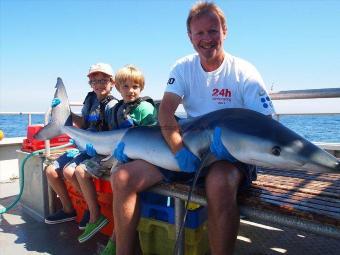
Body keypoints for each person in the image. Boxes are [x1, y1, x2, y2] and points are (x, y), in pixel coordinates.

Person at [111, 1, 275, 255]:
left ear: (225, 31)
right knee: (122, 177)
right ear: (190, 37)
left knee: (219, 181)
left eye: (213, 31)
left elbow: (268, 121)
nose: (207, 39)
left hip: (230, 155)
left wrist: (232, 150)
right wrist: (178, 150)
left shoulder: (244, 72)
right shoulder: (183, 67)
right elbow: (165, 111)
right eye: (200, 33)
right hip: (188, 151)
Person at [75, 65, 158, 251]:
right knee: (81, 171)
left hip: (139, 157)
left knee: (118, 182)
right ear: (118, 88)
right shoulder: (117, 109)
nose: (130, 91)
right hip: (116, 153)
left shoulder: (145, 108)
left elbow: (154, 137)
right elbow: (109, 134)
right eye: (126, 87)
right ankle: (97, 218)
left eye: (135, 86)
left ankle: (114, 241)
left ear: (141, 88)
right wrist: (95, 147)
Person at [44, 63, 117, 232]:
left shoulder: (112, 105)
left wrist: (96, 150)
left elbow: (114, 134)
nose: (98, 84)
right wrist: (66, 113)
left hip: (99, 151)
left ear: (112, 82)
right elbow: (84, 124)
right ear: (90, 83)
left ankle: (93, 211)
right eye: (94, 81)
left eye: (103, 80)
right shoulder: (90, 99)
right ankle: (69, 210)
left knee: (70, 171)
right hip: (83, 145)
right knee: (50, 170)